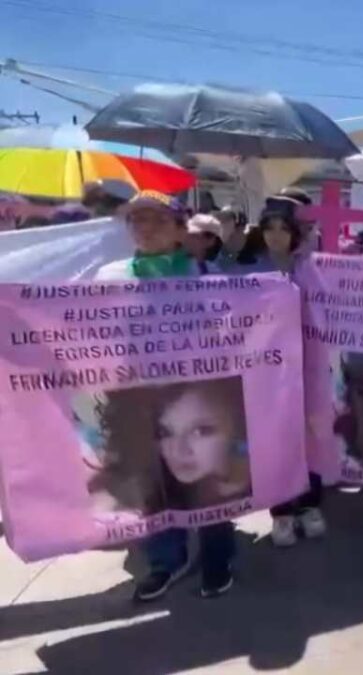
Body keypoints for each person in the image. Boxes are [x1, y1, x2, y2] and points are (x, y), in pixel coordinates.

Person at [92, 190, 238, 601]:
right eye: (137, 220)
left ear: (180, 228)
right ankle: (165, 560)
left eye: (157, 219)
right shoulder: (110, 277)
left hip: (196, 400)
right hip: (136, 400)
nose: (145, 228)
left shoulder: (207, 278)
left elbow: (232, 334)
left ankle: (218, 555)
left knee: (207, 480)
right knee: (151, 486)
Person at [223, 205, 327, 547]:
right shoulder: (246, 269)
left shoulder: (309, 267)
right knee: (275, 441)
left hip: (307, 366)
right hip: (266, 371)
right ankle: (281, 512)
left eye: (284, 228)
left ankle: (309, 505)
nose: (276, 234)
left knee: (309, 436)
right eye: (270, 228)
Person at [90, 378, 251, 513]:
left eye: (200, 431)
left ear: (237, 428)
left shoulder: (261, 481)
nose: (178, 450)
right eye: (164, 432)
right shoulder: (146, 494)